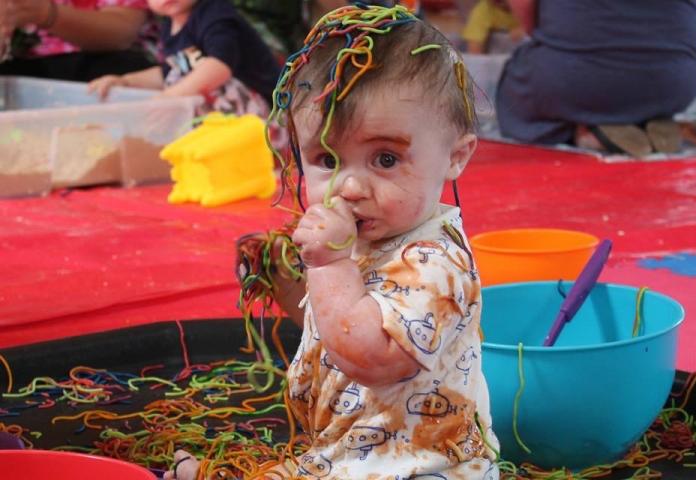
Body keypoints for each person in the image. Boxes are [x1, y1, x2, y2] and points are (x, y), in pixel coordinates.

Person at [165, 4, 499, 480]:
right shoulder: (366, 240)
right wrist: (286, 285)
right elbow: (335, 323)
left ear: (455, 157)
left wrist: (327, 265)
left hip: (423, 466)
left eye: (385, 159)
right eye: (326, 159)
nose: (349, 187)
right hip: (354, 455)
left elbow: (370, 356)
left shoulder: (435, 261)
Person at [495, 0, 696, 157]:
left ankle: (586, 133)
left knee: (515, 89)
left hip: (578, 81)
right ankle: (644, 122)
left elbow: (528, 16)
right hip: (676, 83)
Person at [87, 0, 280, 116]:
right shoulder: (169, 27)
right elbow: (172, 71)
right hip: (229, 123)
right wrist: (126, 81)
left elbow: (219, 66)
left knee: (190, 88)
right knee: (179, 81)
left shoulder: (215, 15)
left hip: (267, 115)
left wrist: (171, 97)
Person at [0, 0, 157, 81]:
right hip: (24, 73)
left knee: (123, 66)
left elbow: (122, 34)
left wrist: (45, 14)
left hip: (108, 68)